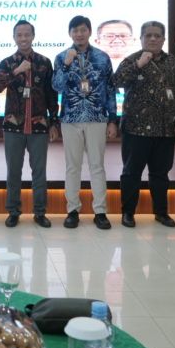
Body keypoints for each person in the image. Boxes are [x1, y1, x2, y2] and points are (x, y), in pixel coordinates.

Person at [113, 21, 175, 229]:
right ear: (141, 38)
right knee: (131, 173)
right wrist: (138, 65)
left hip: (165, 130)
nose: (153, 39)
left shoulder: (173, 63)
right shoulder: (131, 60)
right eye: (148, 35)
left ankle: (161, 213)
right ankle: (128, 213)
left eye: (157, 35)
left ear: (163, 39)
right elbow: (116, 81)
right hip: (136, 129)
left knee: (160, 174)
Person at [53, 15, 118, 229]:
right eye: (75, 31)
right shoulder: (61, 57)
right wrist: (66, 64)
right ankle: (73, 210)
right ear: (70, 33)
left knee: (97, 166)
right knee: (72, 167)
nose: (79, 34)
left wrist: (112, 120)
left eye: (83, 30)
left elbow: (110, 90)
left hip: (97, 117)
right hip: (71, 118)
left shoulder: (102, 57)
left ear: (89, 32)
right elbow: (57, 86)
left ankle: (100, 211)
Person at [0, 20, 59, 228]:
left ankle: (40, 212)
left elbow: (51, 94)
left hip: (39, 125)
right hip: (13, 126)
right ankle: (13, 211)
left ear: (33, 36)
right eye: (19, 35)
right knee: (13, 171)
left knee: (39, 171)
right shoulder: (7, 63)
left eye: (27, 34)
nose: (23, 38)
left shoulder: (44, 62)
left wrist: (54, 122)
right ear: (14, 37)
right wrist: (17, 71)